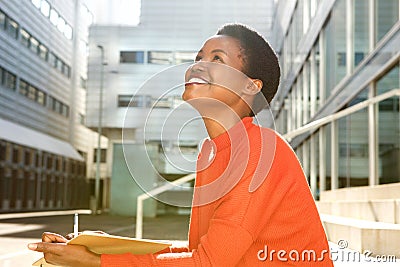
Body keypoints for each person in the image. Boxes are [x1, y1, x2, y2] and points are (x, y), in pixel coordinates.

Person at [28, 23, 334, 266]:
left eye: (217, 59)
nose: (198, 65)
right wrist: (105, 245)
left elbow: (207, 262)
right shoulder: (210, 153)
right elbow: (200, 251)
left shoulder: (261, 150)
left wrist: (98, 262)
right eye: (199, 57)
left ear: (249, 86)